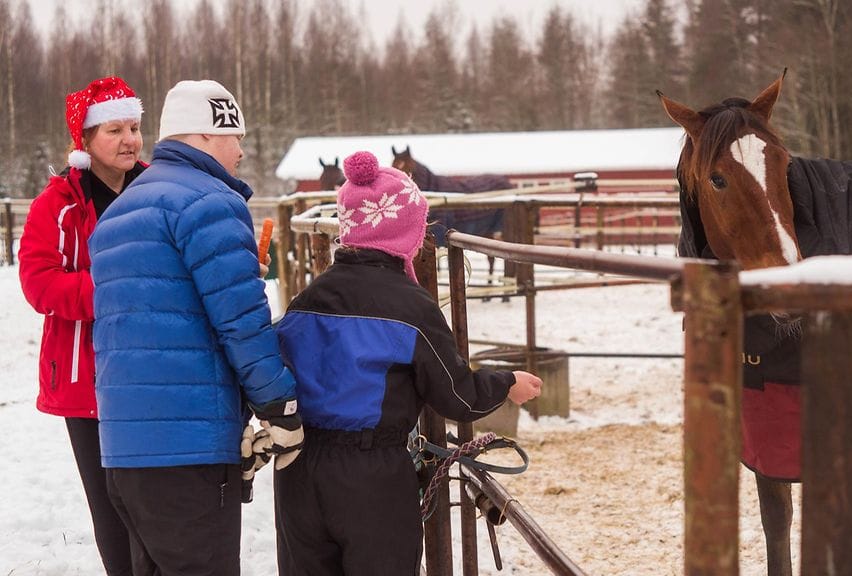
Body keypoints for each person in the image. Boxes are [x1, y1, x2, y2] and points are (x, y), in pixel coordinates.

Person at [273, 151, 543, 575]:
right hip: (371, 477)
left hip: (298, 470)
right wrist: (506, 382)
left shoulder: (305, 301)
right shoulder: (411, 307)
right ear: (403, 232)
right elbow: (457, 397)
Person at [88, 79, 304, 575]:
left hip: (125, 451)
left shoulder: (118, 214)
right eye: (236, 137)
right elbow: (241, 320)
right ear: (206, 135)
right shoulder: (210, 203)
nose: (242, 152)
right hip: (188, 450)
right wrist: (279, 405)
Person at [18, 76, 146, 576]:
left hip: (151, 368)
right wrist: (114, 290)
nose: (129, 140)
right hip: (85, 376)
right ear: (86, 140)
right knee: (109, 500)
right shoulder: (56, 203)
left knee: (153, 498)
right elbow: (39, 284)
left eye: (134, 127)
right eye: (114, 129)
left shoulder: (158, 190)